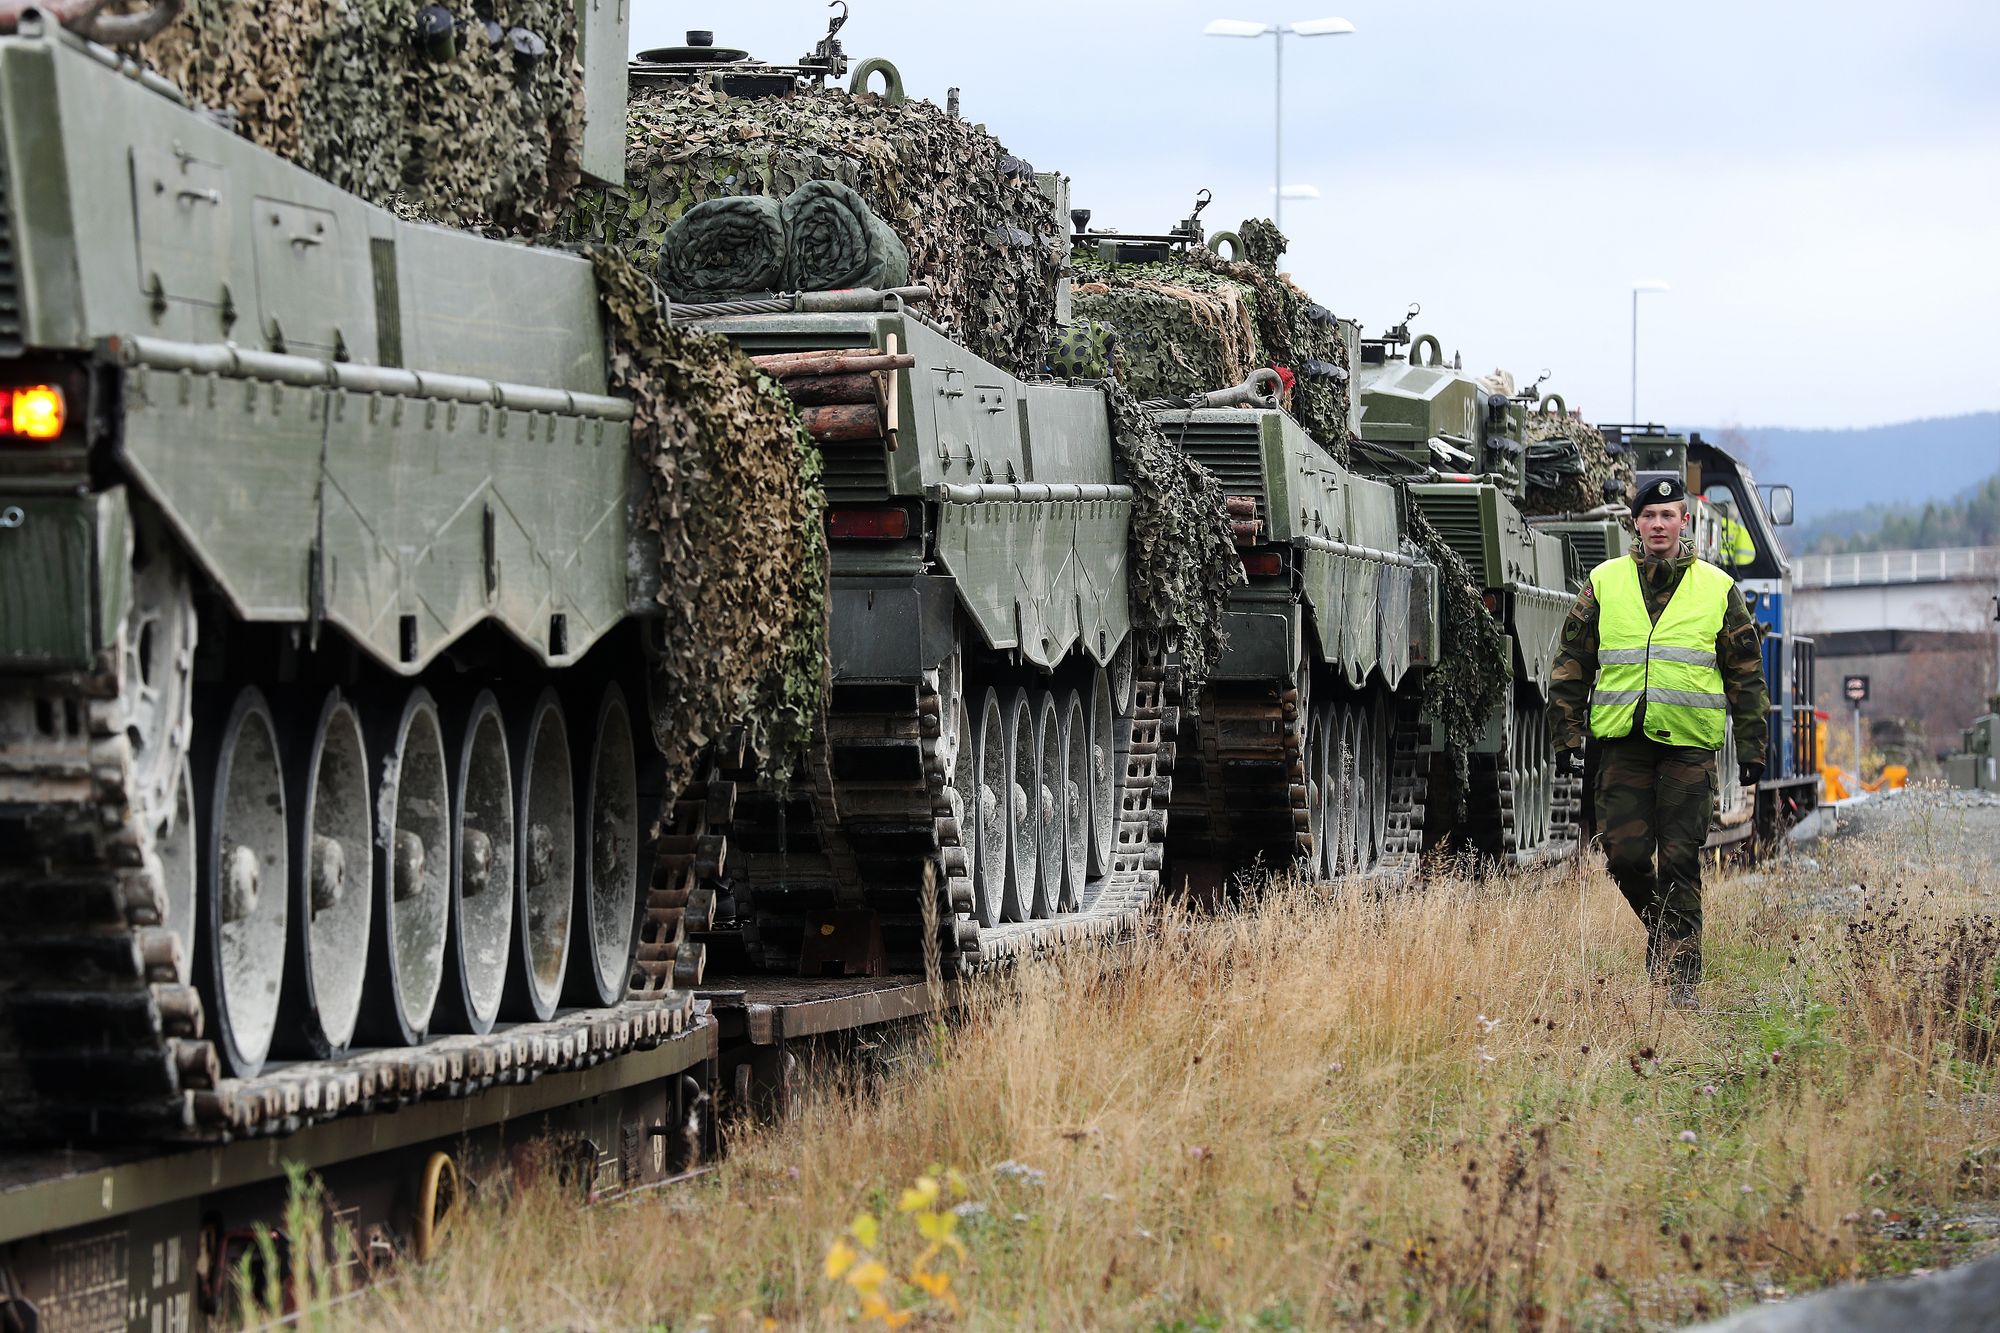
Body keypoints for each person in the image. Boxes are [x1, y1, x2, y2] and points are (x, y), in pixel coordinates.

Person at [1548, 476, 1769, 1006]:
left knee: (1680, 862)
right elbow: (1572, 662)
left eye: (1668, 515)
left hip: (1688, 748)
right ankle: (1665, 934)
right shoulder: (1605, 582)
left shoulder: (1718, 588)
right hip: (1623, 742)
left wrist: (1752, 748)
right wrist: (1565, 731)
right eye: (1649, 517)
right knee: (1623, 857)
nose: (1658, 525)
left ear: (1683, 522)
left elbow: (1745, 674)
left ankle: (1681, 984)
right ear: (1635, 524)